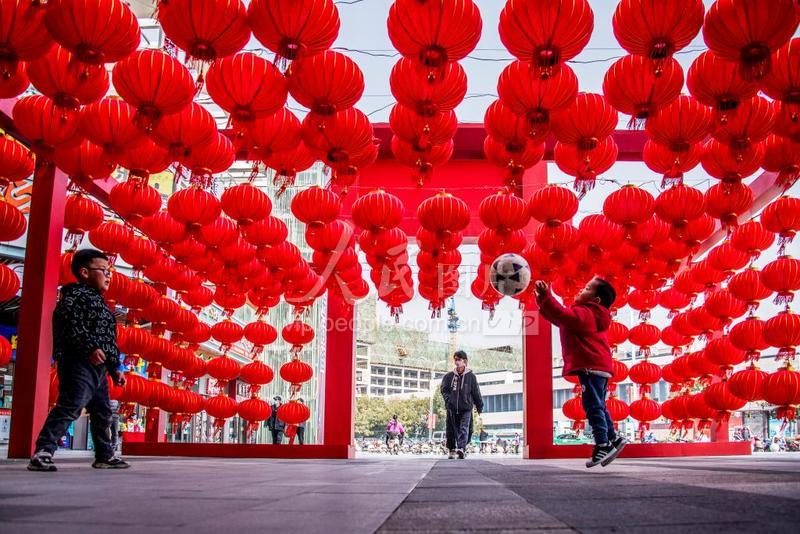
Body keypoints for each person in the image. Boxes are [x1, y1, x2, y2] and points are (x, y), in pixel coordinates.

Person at [28, 249, 129, 471]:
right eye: (103, 270)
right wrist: (89, 348)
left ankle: (104, 454)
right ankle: (44, 449)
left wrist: (115, 368)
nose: (108, 275)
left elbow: (109, 340)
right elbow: (72, 325)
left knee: (103, 411)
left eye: (109, 271)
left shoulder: (103, 306)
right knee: (71, 405)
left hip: (100, 368)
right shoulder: (73, 297)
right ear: (84, 272)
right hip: (78, 362)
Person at [535, 277, 628, 468]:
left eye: (586, 288)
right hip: (599, 366)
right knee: (599, 405)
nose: (580, 289)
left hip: (590, 366)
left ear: (596, 300)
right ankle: (614, 438)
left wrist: (547, 297)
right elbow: (559, 318)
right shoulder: (593, 314)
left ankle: (602, 444)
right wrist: (543, 300)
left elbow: (562, 316)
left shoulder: (586, 313)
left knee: (592, 406)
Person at [440, 350, 483, 460]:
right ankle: (451, 449)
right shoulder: (448, 377)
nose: (457, 362)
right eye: (455, 360)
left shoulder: (471, 377)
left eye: (459, 359)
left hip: (466, 408)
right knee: (451, 429)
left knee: (464, 428)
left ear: (465, 361)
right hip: (452, 408)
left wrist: (479, 406)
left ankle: (461, 449)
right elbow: (444, 390)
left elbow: (476, 392)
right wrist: (449, 401)